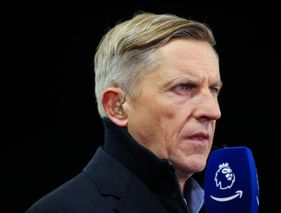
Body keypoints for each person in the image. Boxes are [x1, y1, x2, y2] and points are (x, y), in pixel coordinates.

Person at [26, 11, 223, 213]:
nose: (213, 111)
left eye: (213, 89)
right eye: (183, 87)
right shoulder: (61, 210)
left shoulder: (223, 203)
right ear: (117, 106)